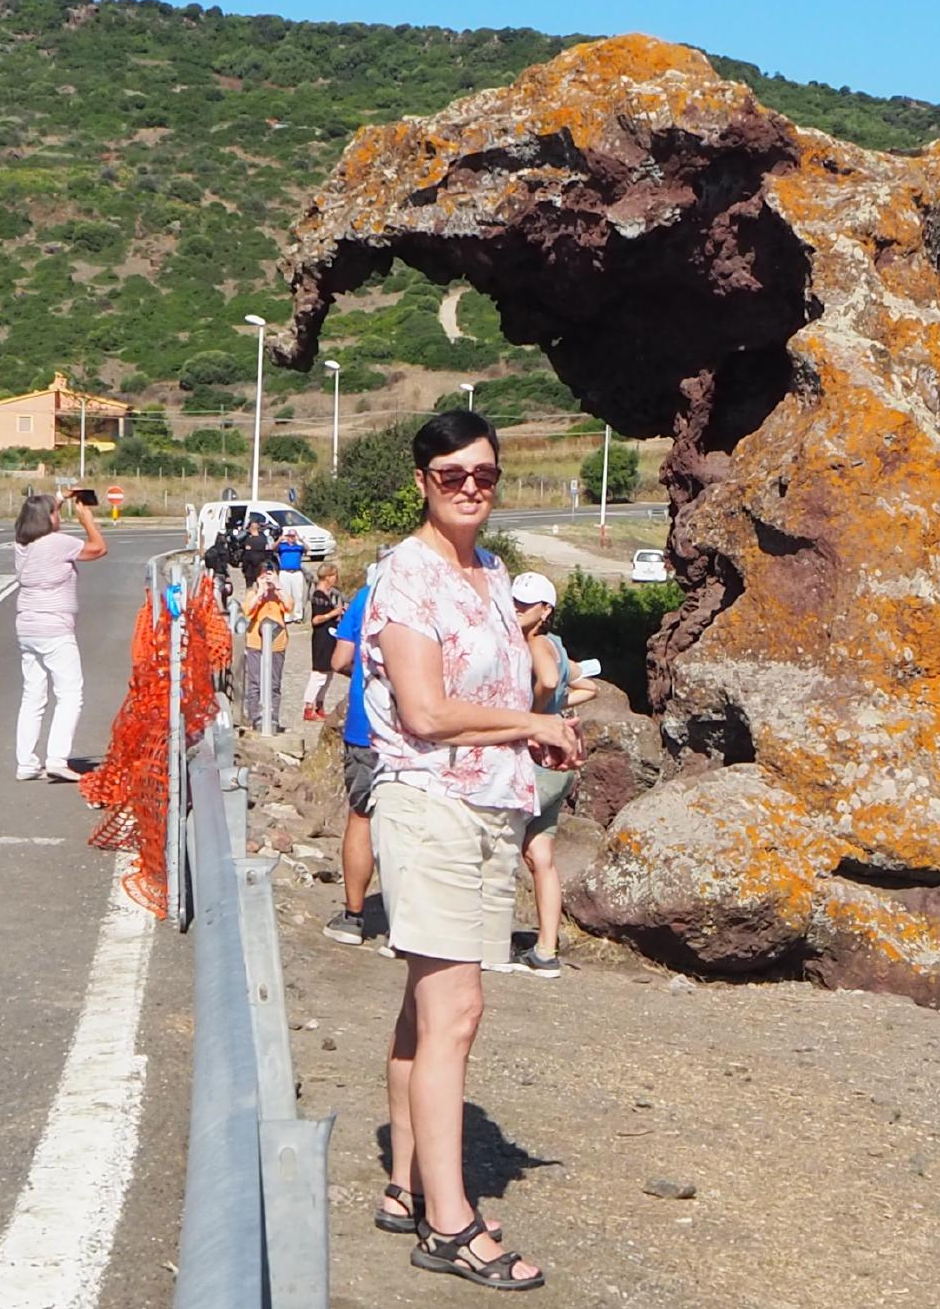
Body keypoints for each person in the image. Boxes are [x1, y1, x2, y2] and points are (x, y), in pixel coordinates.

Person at [362, 409, 579, 1288]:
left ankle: (406, 1185)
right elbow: (423, 713)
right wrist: (530, 722)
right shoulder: (405, 576)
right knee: (455, 1014)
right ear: (422, 481)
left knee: (428, 1010)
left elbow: (487, 696)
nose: (470, 488)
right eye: (451, 474)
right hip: (432, 809)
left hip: (490, 810)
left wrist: (529, 737)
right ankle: (450, 1225)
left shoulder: (489, 572)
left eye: (484, 474)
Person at [500, 572, 599, 980]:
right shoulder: (558, 645)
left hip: (535, 761)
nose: (517, 608)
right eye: (515, 601)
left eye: (526, 604)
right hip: (558, 768)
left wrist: (534, 712)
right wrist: (558, 707)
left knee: (499, 842)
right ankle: (545, 950)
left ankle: (490, 942)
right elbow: (589, 687)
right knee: (541, 856)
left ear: (545, 610)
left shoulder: (537, 643)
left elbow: (549, 679)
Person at [12, 492, 107, 782]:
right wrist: (87, 521)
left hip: (28, 627)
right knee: (70, 693)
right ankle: (57, 758)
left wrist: (60, 497)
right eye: (56, 512)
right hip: (54, 628)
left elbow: (39, 511)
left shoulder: (22, 545)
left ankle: (26, 763)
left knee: (33, 695)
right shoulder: (57, 543)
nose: (59, 516)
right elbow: (98, 549)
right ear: (48, 518)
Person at [323, 562, 382, 948]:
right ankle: (409, 926)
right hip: (420, 731)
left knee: (362, 817)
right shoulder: (435, 597)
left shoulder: (365, 598)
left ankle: (353, 917)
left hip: (366, 726)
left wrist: (364, 677)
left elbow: (339, 660)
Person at [243, 569, 292, 733]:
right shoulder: (252, 594)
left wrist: (277, 586)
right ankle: (254, 718)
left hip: (277, 643)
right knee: (255, 683)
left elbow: (289, 606)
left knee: (274, 683)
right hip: (256, 643)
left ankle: (273, 717)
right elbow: (247, 611)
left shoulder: (279, 595)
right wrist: (260, 592)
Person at [302, 563, 345, 721]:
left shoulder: (327, 595)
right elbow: (316, 619)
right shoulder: (318, 596)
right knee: (319, 673)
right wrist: (333, 613)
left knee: (328, 673)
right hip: (322, 638)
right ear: (328, 577)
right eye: (334, 575)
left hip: (330, 636)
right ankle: (308, 707)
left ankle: (320, 705)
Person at [276, 524, 308, 623]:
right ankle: (287, 616)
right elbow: (272, 548)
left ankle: (297, 616)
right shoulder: (282, 546)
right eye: (290, 536)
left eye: (293, 536)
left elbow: (307, 549)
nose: (291, 538)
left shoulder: (299, 547)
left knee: (298, 595)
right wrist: (279, 540)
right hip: (285, 572)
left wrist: (301, 540)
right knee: (286, 595)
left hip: (296, 573)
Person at [238, 515, 273, 587]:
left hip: (253, 567)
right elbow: (268, 552)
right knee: (260, 587)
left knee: (251, 588)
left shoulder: (248, 539)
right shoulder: (264, 538)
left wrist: (244, 567)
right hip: (258, 566)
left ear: (250, 528)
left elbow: (246, 554)